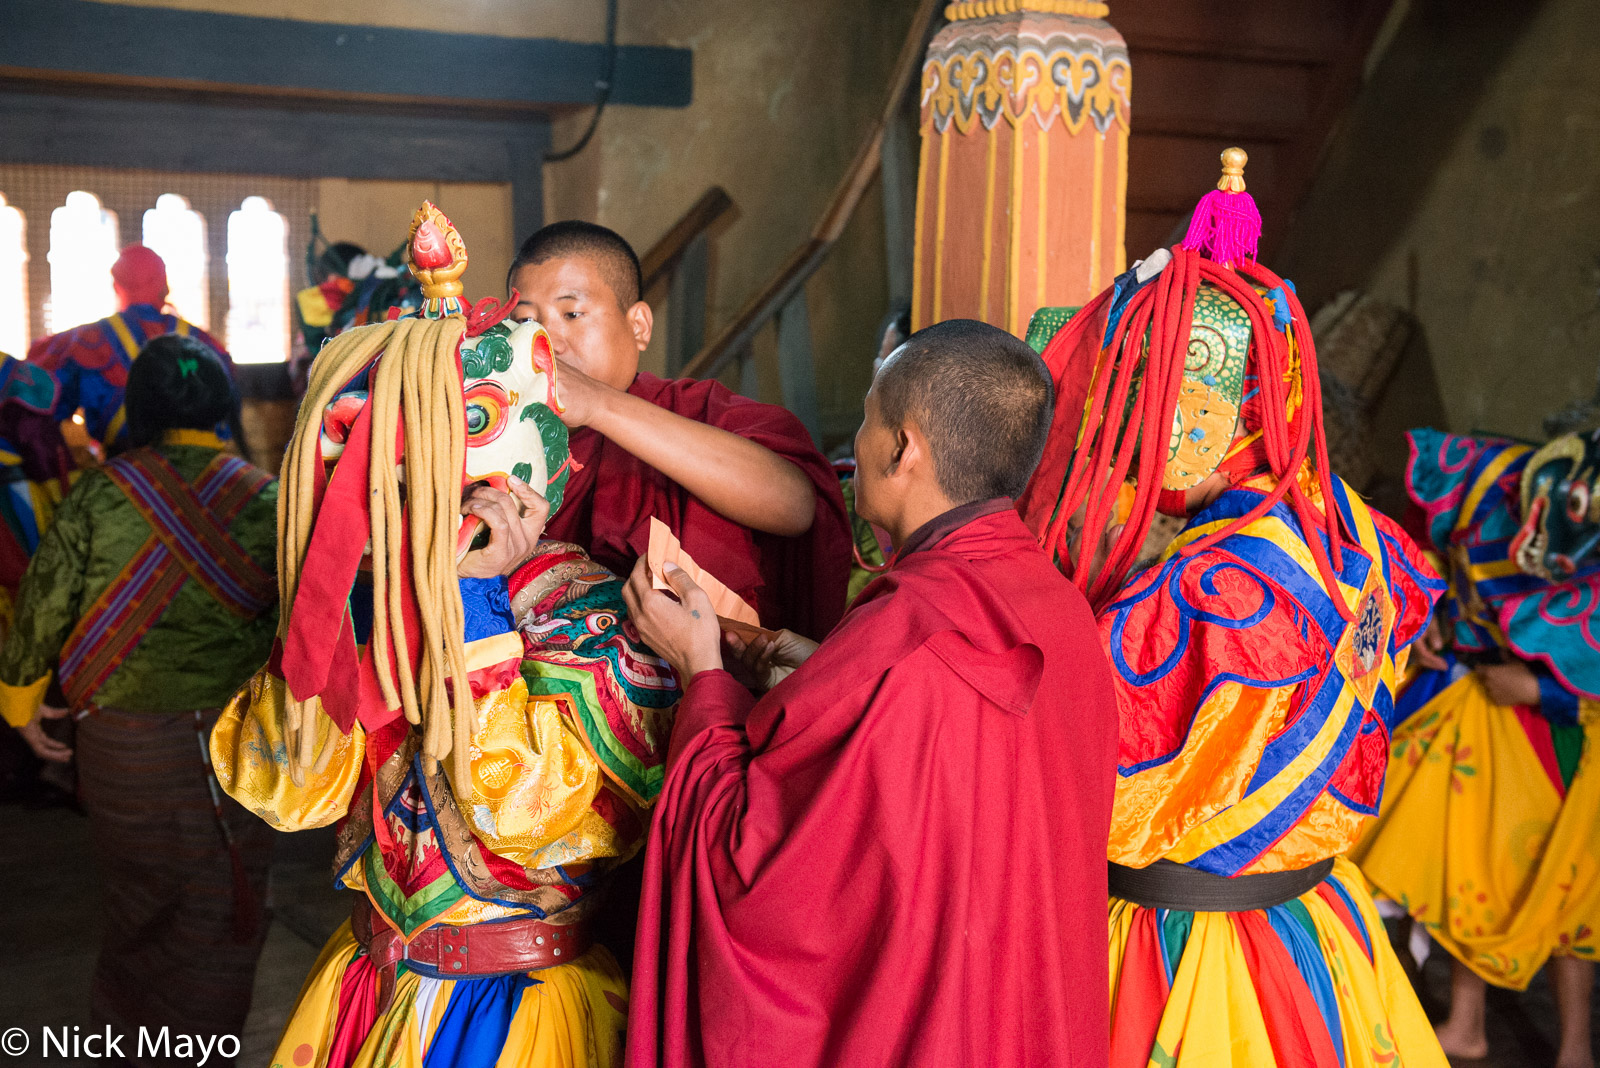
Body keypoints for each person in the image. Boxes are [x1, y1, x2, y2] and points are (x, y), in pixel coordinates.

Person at [216, 204, 683, 1068]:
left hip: (516, 1009)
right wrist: (337, 597)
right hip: (371, 982)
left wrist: (472, 604)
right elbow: (285, 792)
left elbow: (531, 813)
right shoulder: (372, 598)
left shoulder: (594, 609)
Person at [1016, 150, 1450, 1067]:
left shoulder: (1210, 587)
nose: (1112, 429)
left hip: (1178, 950)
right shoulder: (1358, 534)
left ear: (1193, 417)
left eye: (1131, 396)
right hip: (1316, 924)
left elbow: (1077, 765)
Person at [622, 319, 1119, 1067]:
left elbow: (755, 872)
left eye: (865, 419)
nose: (853, 449)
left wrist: (702, 674)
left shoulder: (903, 635)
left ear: (903, 448)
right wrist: (817, 668)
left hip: (925, 1032)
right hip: (1018, 1012)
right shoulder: (1059, 608)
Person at [0, 334, 277, 1064]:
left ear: (137, 406)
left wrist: (20, 707)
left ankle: (130, 1047)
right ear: (224, 402)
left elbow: (42, 603)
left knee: (139, 907)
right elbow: (304, 624)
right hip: (237, 744)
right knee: (225, 911)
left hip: (123, 747)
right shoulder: (268, 497)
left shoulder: (99, 491)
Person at [1352, 426, 1600, 1068]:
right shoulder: (1486, 486)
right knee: (1472, 865)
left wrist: (1546, 693)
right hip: (1477, 703)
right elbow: (1430, 562)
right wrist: (1428, 619)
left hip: (1566, 735)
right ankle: (1465, 1021)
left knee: (1569, 895)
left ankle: (1573, 1047)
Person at [507, 221, 851, 638]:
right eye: (525, 322)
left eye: (572, 314)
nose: (549, 341)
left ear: (639, 326)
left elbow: (795, 506)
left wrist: (599, 404)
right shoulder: (503, 440)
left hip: (708, 687)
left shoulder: (698, 413)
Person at [27, 243, 235, 453]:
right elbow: (227, 419)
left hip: (123, 473)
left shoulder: (82, 343)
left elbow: (39, 411)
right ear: (164, 285)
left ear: (117, 285)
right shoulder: (205, 345)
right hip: (203, 475)